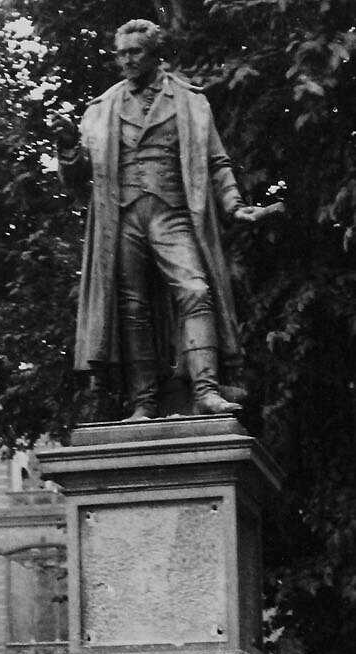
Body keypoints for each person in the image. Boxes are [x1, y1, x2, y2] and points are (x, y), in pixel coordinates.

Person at [58, 18, 271, 420]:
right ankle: (144, 403)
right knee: (132, 309)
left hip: (172, 213)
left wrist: (234, 204)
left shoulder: (190, 101)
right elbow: (75, 180)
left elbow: (217, 162)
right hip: (122, 220)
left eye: (135, 52)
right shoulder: (102, 108)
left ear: (156, 53)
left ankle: (206, 390)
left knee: (195, 290)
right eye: (121, 54)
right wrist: (67, 147)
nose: (126, 60)